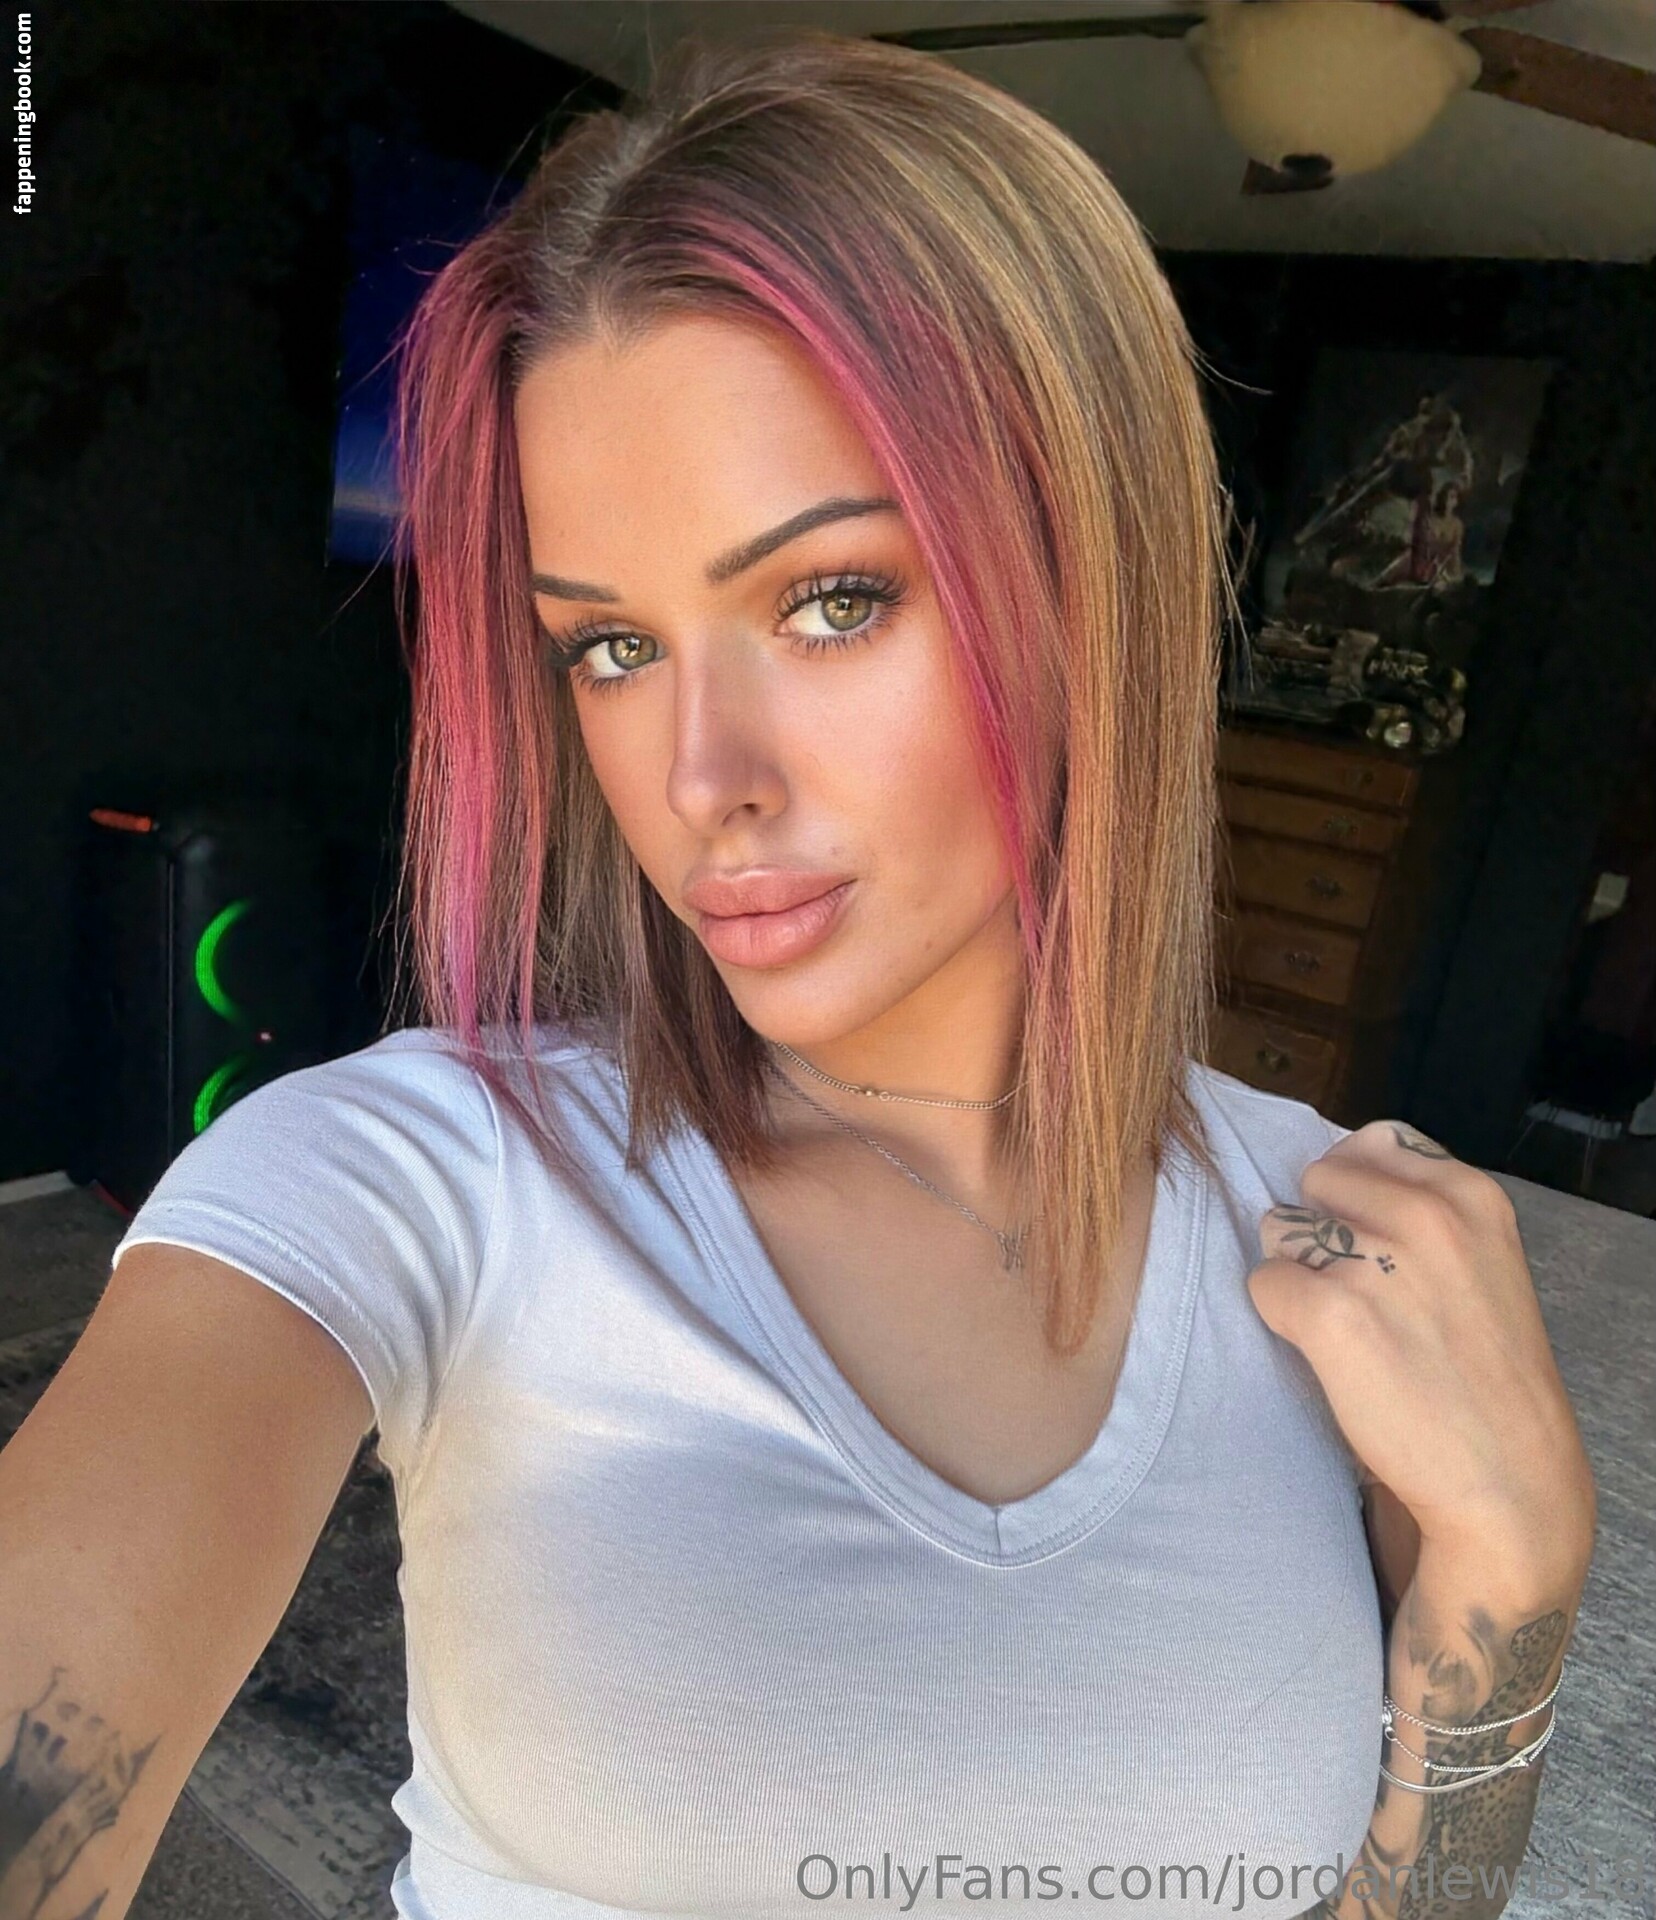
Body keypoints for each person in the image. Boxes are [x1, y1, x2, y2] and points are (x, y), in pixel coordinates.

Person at [0, 29, 1594, 1920]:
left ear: (1099, 585)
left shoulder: (1334, 1250)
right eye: (609, 649)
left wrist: (1513, 1574)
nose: (700, 781)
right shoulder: (413, 1179)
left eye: (831, 601)